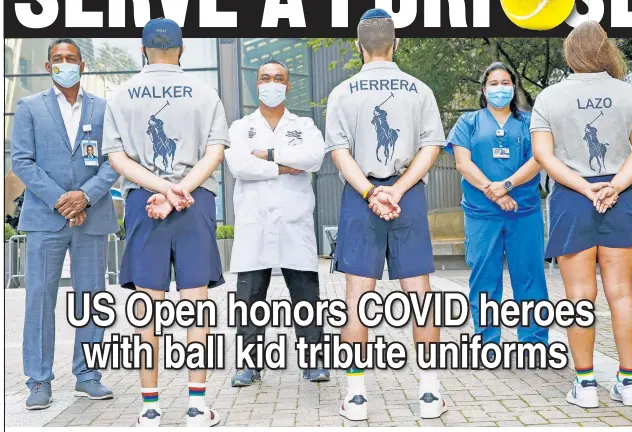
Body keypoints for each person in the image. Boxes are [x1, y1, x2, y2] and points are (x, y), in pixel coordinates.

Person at [102, 18, 228, 427]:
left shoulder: (122, 94)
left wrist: (161, 189)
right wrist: (181, 190)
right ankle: (196, 406)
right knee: (196, 306)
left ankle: (150, 408)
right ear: (182, 50)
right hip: (195, 201)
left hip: (144, 202)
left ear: (143, 50)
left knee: (146, 308)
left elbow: (117, 158)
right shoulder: (205, 92)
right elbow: (215, 152)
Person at [325, 8, 447, 421]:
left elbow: (340, 154)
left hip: (361, 198)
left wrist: (371, 191)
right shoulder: (420, 90)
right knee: (420, 298)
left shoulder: (343, 92)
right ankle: (429, 393)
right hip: (406, 195)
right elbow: (431, 148)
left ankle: (356, 396)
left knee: (358, 299)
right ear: (396, 44)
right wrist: (396, 189)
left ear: (359, 46)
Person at [531, 21, 632, 409]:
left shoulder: (550, 97)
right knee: (622, 293)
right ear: (606, 50)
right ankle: (630, 383)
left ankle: (585, 385)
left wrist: (584, 188)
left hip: (572, 198)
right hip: (619, 197)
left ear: (570, 53)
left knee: (579, 296)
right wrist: (615, 186)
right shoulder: (630, 94)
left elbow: (543, 156)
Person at [11, 38, 119, 410]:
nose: (64, 63)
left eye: (71, 58)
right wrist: (63, 200)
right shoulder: (28, 107)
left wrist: (85, 196)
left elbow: (114, 160)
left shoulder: (105, 109)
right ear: (47, 65)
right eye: (57, 58)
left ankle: (88, 376)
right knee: (40, 298)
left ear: (83, 65)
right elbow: (22, 161)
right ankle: (39, 380)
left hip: (92, 217)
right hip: (45, 218)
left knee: (91, 299)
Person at [225, 57, 329, 387]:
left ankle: (314, 363)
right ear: (257, 85)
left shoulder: (305, 126)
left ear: (288, 84)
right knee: (250, 298)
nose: (272, 83)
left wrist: (267, 156)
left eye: (279, 77)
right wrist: (284, 164)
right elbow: (239, 166)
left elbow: (313, 158)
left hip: (293, 222)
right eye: (266, 78)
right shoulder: (240, 127)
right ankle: (249, 365)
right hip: (254, 224)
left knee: (305, 295)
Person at [446, 62, 549, 354]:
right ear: (484, 89)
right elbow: (463, 163)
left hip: (524, 211)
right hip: (482, 214)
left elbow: (539, 159)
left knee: (529, 276)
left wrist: (507, 185)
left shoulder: (530, 122)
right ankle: (487, 343)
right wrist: (495, 193)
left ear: (514, 88)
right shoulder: (468, 123)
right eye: (494, 83)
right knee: (484, 277)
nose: (500, 88)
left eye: (506, 83)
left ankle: (534, 343)